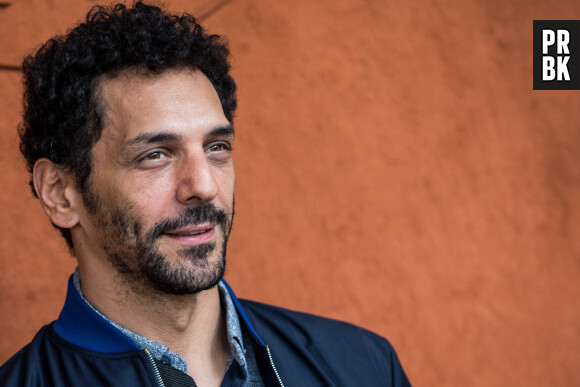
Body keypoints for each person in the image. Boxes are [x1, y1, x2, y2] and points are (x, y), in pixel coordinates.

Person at [0, 2, 411, 386]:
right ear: (59, 193)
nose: (204, 186)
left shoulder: (364, 366)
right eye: (156, 154)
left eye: (216, 147)